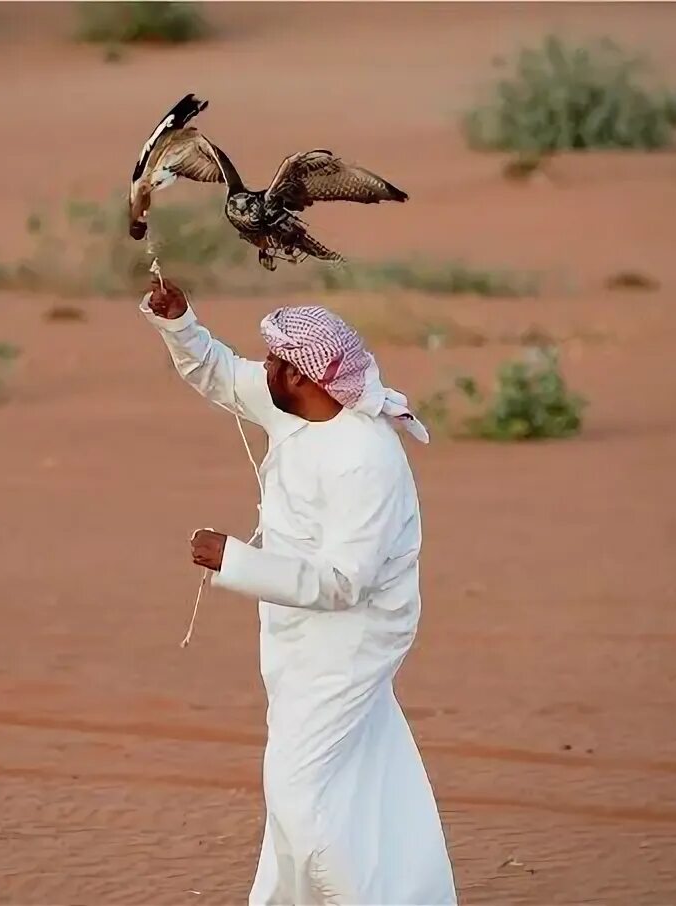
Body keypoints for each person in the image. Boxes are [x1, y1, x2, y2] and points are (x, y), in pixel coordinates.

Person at [141, 277, 457, 905]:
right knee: (349, 776)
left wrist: (234, 558)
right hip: (298, 631)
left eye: (282, 363)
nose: (269, 370)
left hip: (354, 637)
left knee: (298, 789)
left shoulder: (364, 458)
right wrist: (179, 323)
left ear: (312, 380)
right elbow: (224, 376)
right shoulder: (295, 404)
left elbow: (345, 582)